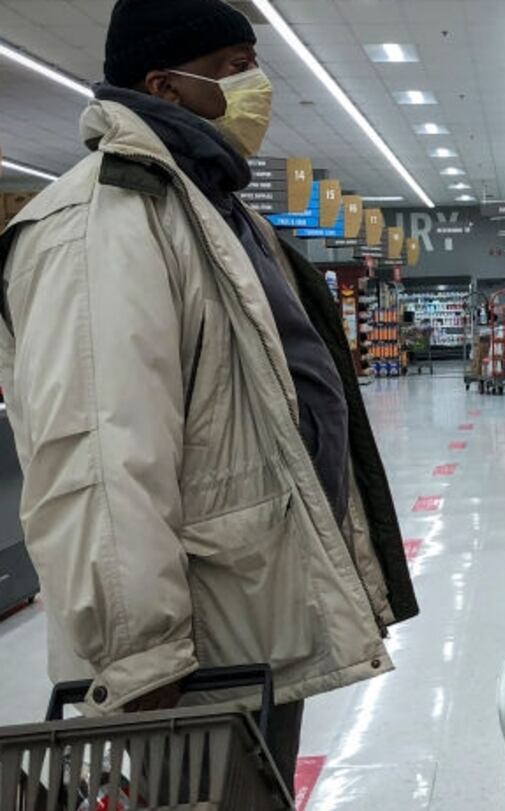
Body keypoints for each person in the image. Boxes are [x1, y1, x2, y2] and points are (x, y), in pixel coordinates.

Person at [0, 0, 418, 788]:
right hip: (190, 643)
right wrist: (142, 656)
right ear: (164, 84)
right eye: (235, 67)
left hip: (252, 605)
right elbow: (97, 457)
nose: (258, 87)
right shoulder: (101, 222)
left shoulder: (211, 209)